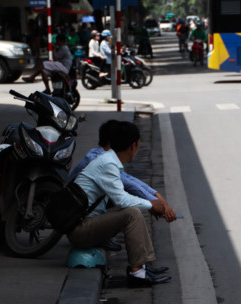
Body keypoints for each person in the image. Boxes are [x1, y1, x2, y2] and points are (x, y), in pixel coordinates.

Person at [68, 121, 172, 287]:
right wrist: (151, 204)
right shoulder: (108, 164)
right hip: (80, 230)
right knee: (132, 213)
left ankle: (142, 266)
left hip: (83, 225)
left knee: (133, 209)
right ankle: (137, 272)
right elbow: (122, 199)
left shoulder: (108, 160)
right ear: (133, 145)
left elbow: (127, 187)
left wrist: (151, 201)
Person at [69, 120, 177, 223]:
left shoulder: (105, 157)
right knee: (132, 212)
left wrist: (156, 196)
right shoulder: (104, 161)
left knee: (132, 204)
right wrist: (152, 203)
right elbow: (126, 190)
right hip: (80, 219)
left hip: (81, 213)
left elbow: (128, 179)